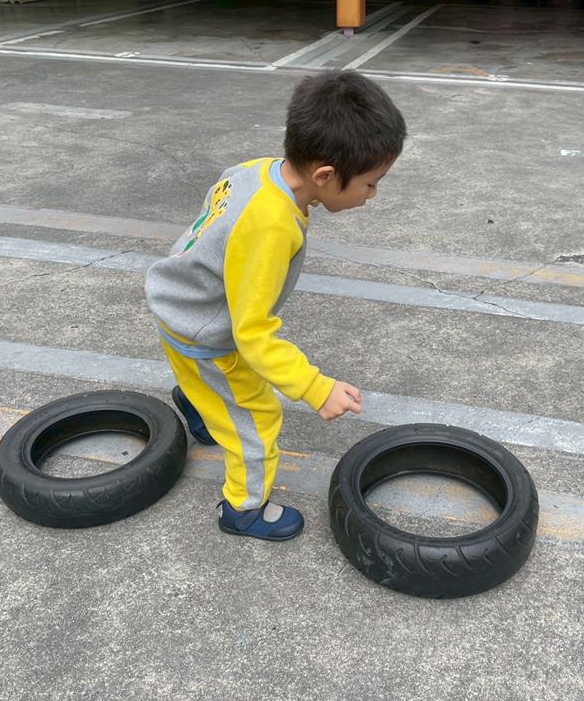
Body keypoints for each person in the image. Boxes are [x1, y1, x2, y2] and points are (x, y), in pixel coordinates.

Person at [145, 70, 407, 541]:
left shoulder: (256, 170)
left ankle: (200, 401)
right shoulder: (270, 227)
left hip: (179, 299)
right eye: (370, 184)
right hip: (206, 335)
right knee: (258, 421)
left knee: (212, 384)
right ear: (325, 176)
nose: (373, 194)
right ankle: (243, 510)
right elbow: (252, 334)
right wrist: (315, 387)